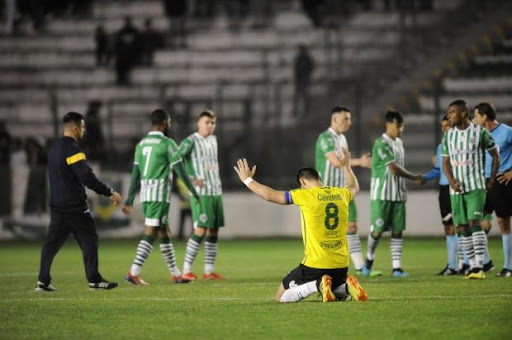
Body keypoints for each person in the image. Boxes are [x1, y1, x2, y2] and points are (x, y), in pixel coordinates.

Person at [233, 151, 368, 303]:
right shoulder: (341, 193)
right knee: (337, 292)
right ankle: (347, 287)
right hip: (341, 265)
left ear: (303, 182)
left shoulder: (305, 195)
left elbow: (270, 195)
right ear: (319, 179)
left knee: (281, 297)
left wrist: (247, 180)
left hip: (316, 263)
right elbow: (355, 187)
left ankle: (317, 285)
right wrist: (347, 167)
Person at [35, 112, 122, 292]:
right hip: (74, 207)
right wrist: (109, 192)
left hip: (57, 207)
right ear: (75, 128)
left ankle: (42, 282)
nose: (84, 130)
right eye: (82, 127)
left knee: (50, 245)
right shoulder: (73, 150)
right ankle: (94, 280)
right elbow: (86, 177)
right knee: (89, 240)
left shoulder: (54, 149)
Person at [122, 109, 200, 285]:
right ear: (164, 122)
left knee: (164, 232)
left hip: (146, 194)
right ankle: (133, 272)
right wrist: (193, 192)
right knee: (151, 232)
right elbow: (180, 170)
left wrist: (129, 199)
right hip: (159, 195)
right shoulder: (167, 143)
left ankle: (175, 274)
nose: (170, 124)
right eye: (169, 121)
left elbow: (135, 174)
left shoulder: (141, 145)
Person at [315, 106, 380, 276]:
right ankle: (321, 267)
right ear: (334, 119)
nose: (349, 123)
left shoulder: (342, 138)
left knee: (351, 226)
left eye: (350, 119)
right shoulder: (325, 137)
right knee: (326, 231)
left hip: (344, 190)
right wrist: (361, 162)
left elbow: (343, 164)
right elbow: (336, 162)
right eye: (346, 119)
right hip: (326, 192)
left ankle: (361, 269)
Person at [442, 99, 500, 279]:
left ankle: (478, 266)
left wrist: (491, 180)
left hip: (475, 186)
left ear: (462, 114)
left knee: (475, 223)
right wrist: (451, 181)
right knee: (461, 227)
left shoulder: (480, 132)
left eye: (452, 112)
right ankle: (471, 263)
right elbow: (445, 162)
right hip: (456, 189)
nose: (449, 115)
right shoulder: (448, 135)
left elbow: (495, 156)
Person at [362, 110, 422, 278]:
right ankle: (368, 261)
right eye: (398, 125)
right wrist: (413, 177)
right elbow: (393, 168)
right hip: (381, 195)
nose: (401, 129)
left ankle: (397, 268)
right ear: (388, 124)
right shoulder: (381, 143)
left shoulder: (399, 143)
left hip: (398, 195)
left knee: (397, 231)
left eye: (402, 126)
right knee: (378, 231)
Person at [180, 110, 225, 281]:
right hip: (201, 193)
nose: (210, 126)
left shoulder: (213, 139)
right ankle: (186, 270)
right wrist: (191, 178)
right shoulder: (190, 141)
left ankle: (208, 271)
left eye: (213, 123)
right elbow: (177, 160)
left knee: (213, 230)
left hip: (215, 190)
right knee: (200, 230)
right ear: (199, 123)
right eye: (207, 122)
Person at [418, 115, 464, 275]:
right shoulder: (441, 147)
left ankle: (465, 263)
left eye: (448, 126)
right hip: (444, 190)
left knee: (461, 226)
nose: (445, 129)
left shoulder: (460, 144)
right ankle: (452, 265)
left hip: (457, 189)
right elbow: (438, 170)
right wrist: (424, 178)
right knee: (448, 227)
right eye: (443, 126)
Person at [472, 102, 512, 277]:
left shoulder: (507, 132)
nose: (474, 119)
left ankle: (508, 267)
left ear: (484, 117)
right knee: (474, 220)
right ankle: (486, 262)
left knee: (503, 223)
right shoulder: (479, 134)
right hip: (483, 182)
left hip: (502, 181)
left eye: (475, 116)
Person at [114, 16, 139, 85]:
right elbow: (118, 43)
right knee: (120, 62)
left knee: (126, 62)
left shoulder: (134, 32)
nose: (127, 23)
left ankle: (125, 79)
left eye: (128, 22)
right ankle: (121, 79)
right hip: (123, 54)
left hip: (132, 53)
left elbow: (138, 43)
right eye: (126, 22)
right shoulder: (122, 32)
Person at [293, 45, 314, 117]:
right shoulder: (301, 58)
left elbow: (311, 67)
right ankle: (299, 111)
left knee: (303, 96)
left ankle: (304, 111)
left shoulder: (304, 58)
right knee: (300, 96)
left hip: (303, 79)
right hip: (301, 79)